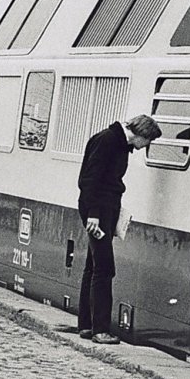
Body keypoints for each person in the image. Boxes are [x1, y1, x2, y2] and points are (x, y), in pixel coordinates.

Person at [77, 114, 161, 344]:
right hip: (98, 210)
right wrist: (94, 214)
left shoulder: (118, 143)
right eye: (149, 141)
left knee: (93, 267)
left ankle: (86, 325)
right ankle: (100, 330)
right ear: (142, 134)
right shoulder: (107, 141)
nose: (147, 146)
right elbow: (90, 179)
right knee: (105, 269)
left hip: (105, 209)